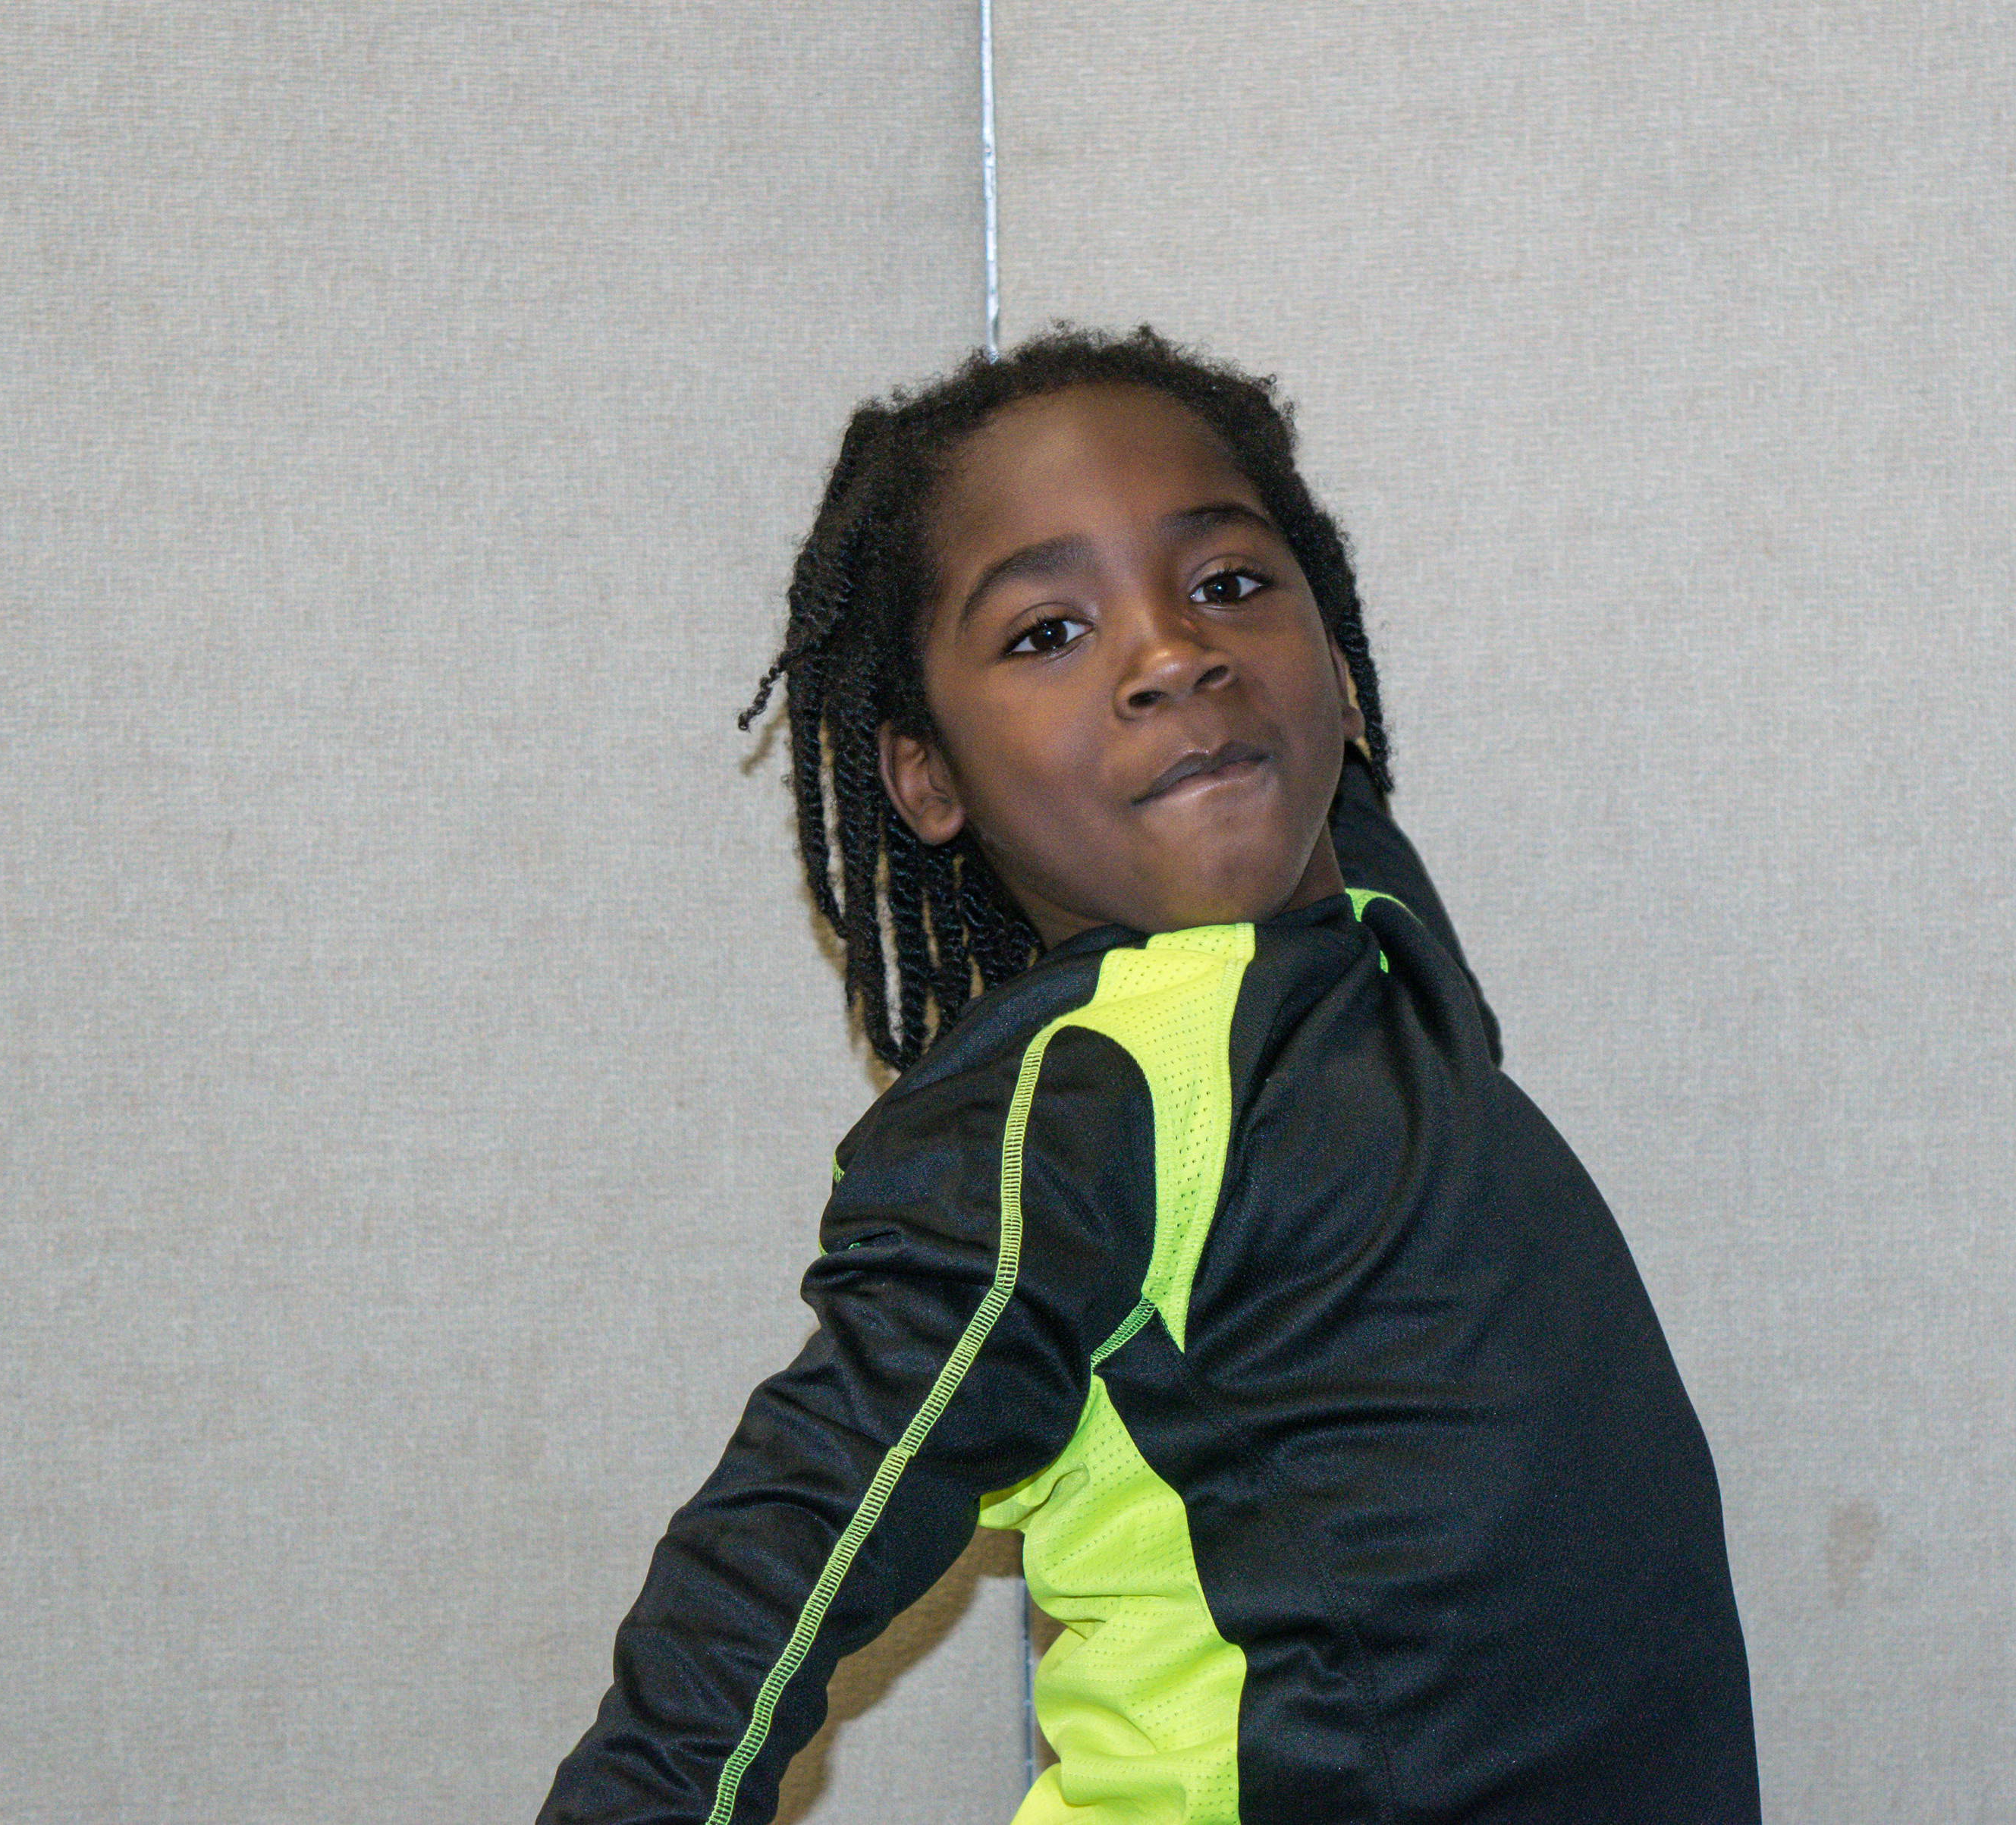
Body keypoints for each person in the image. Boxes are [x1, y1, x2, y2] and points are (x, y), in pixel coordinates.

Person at [539, 328, 1758, 1824]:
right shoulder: (1080, 1092)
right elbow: (796, 1531)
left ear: (1343, 674)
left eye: (1228, 584)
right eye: (1047, 631)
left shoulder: (1381, 946)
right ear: (927, 775)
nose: (1174, 654)